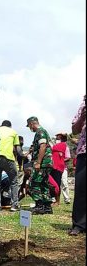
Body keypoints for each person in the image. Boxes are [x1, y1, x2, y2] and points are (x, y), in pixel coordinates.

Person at [26, 116, 53, 215]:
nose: (30, 128)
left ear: (32, 123)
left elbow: (43, 146)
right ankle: (47, 207)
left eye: (29, 126)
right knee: (43, 184)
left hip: (43, 163)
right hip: (46, 162)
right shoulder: (42, 131)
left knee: (35, 182)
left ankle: (39, 205)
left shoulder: (40, 132)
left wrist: (38, 162)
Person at [0, 120, 21, 212]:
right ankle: (14, 205)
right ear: (10, 126)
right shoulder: (13, 132)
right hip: (8, 158)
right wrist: (23, 156)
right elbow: (18, 149)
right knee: (14, 181)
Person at [68, 95, 86, 236]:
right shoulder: (82, 107)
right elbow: (74, 130)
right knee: (81, 189)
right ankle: (79, 224)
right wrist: (82, 117)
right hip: (84, 152)